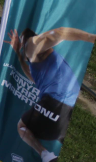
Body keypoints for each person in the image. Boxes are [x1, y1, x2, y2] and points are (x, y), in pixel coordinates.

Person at [9, 25, 96, 160]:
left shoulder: (31, 45)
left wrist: (91, 37)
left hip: (55, 102)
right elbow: (34, 79)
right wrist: (18, 53)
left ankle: (45, 154)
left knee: (22, 126)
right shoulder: (43, 63)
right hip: (67, 109)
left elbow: (61, 32)